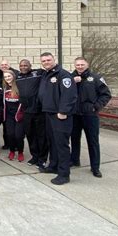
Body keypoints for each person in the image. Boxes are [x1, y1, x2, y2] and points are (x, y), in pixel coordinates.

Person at [38, 52, 77, 185]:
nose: (46, 62)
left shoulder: (63, 75)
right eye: (43, 61)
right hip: (49, 113)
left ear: (54, 59)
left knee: (61, 145)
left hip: (60, 115)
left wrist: (63, 111)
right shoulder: (46, 74)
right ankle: (53, 166)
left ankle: (64, 174)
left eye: (48, 60)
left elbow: (70, 95)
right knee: (52, 142)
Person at [70, 57, 111, 178]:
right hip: (75, 115)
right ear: (75, 65)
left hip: (90, 115)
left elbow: (106, 94)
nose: (80, 66)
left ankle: (95, 167)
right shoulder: (69, 78)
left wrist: (96, 107)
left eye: (82, 64)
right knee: (74, 139)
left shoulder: (96, 78)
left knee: (93, 142)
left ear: (87, 65)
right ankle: (74, 160)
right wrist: (73, 82)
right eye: (77, 65)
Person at [17, 59, 47, 169]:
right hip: (27, 111)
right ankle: (35, 156)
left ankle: (42, 159)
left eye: (26, 65)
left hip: (39, 111)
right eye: (21, 65)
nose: (23, 67)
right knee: (30, 135)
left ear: (30, 66)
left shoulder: (38, 73)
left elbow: (52, 73)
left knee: (41, 136)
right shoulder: (18, 77)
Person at [3, 70, 25, 162]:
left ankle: (20, 152)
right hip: (9, 116)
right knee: (10, 135)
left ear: (13, 76)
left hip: (19, 115)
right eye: (5, 77)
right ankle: (12, 151)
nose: (7, 78)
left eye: (9, 76)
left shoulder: (19, 86)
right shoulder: (4, 87)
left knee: (19, 136)